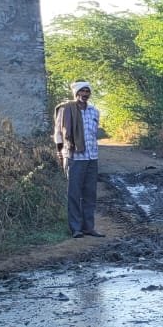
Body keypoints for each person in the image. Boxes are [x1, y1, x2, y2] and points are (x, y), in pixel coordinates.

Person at [53, 81, 104, 238]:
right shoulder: (66, 109)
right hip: (74, 157)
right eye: (82, 91)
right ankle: (75, 228)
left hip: (92, 157)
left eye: (87, 91)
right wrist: (60, 151)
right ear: (76, 93)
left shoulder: (94, 112)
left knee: (90, 193)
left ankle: (89, 227)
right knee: (74, 193)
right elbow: (58, 132)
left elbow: (93, 134)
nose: (85, 94)